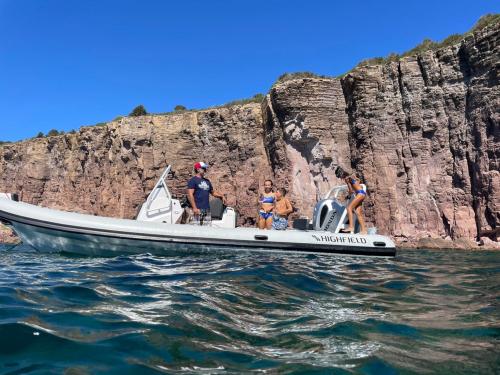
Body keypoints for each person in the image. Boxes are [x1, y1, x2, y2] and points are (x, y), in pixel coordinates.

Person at [338, 168, 367, 234]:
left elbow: (351, 190)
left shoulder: (347, 179)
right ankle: (364, 230)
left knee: (349, 208)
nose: (340, 178)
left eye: (340, 176)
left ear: (342, 175)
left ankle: (351, 227)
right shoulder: (352, 177)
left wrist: (347, 196)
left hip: (359, 194)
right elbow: (358, 183)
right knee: (358, 213)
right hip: (362, 194)